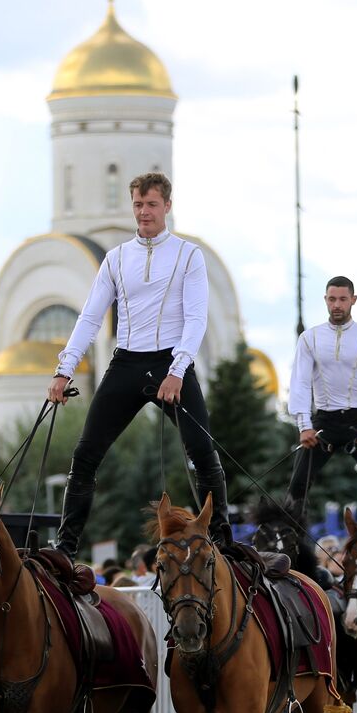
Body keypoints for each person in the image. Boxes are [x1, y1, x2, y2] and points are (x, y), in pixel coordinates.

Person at [48, 172, 232, 552]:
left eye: (151, 204)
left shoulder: (188, 255)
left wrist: (178, 370)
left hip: (171, 363)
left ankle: (223, 540)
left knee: (202, 450)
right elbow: (90, 317)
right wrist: (64, 369)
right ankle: (66, 549)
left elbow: (196, 319)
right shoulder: (116, 259)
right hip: (126, 364)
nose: (143, 212)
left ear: (167, 206)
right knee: (85, 455)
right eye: (137, 204)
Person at [285, 276, 357, 528]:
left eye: (343, 299)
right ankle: (288, 543)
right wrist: (304, 426)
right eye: (332, 299)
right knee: (297, 485)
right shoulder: (309, 339)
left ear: (353, 300)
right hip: (324, 420)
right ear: (325, 300)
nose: (337, 305)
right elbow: (300, 383)